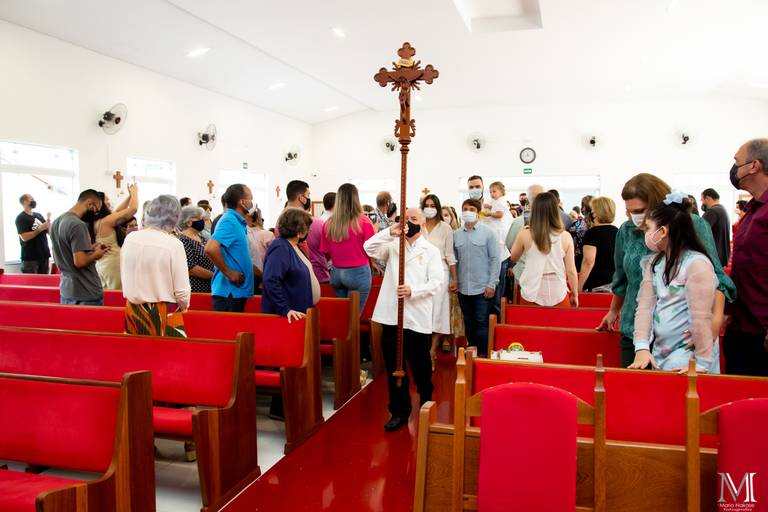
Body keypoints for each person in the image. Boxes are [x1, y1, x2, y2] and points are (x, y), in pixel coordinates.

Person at [597, 173, 735, 368]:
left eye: (641, 210)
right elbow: (622, 279)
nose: (636, 218)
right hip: (638, 329)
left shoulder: (691, 227)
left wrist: (712, 325)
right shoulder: (630, 237)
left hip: (683, 335)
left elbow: (716, 279)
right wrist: (613, 312)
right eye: (630, 211)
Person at [364, 207, 443, 431]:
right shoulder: (393, 245)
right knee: (394, 368)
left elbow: (437, 282)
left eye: (414, 219)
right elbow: (368, 248)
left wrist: (413, 290)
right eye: (405, 218)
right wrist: (390, 231)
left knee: (421, 368)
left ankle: (427, 405)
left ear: (423, 223)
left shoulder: (431, 251)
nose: (409, 222)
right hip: (392, 318)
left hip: (417, 317)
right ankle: (399, 411)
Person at [630, 193, 719, 373]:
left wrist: (701, 363)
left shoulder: (696, 264)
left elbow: (701, 317)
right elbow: (645, 307)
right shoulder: (654, 263)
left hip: (690, 355)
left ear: (662, 231)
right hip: (661, 351)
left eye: (648, 228)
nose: (645, 233)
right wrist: (641, 346)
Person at [723, 138, 768, 376]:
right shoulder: (753, 209)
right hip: (742, 325)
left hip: (762, 331)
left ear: (754, 166)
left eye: (737, 162)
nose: (734, 169)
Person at [121, 195, 190, 337]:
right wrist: (183, 306)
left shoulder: (130, 238)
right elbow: (182, 291)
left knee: (138, 355)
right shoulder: (174, 244)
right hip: (164, 310)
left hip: (134, 309)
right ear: (175, 217)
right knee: (167, 356)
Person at [510, 192, 578, 307]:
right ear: (555, 211)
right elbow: (571, 270)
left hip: (531, 291)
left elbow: (514, 257)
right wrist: (575, 294)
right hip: (558, 292)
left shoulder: (525, 234)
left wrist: (520, 234)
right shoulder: (565, 236)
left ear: (535, 211)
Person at [453, 198, 500, 358]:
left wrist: (492, 284)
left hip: (483, 288)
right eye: (465, 208)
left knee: (481, 322)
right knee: (469, 322)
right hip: (463, 288)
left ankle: (482, 356)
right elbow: (454, 261)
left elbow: (495, 260)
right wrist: (455, 281)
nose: (468, 211)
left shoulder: (488, 233)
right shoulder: (456, 235)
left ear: (478, 213)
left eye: (472, 209)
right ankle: (471, 354)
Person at [321, 183, 375, 313]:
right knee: (353, 318)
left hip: (337, 273)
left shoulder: (329, 223)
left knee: (343, 316)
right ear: (356, 199)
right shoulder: (364, 221)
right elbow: (372, 249)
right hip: (359, 272)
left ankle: (340, 334)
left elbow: (326, 252)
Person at [49, 189, 107, 305]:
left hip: (67, 290)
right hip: (85, 291)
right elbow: (80, 261)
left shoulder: (56, 222)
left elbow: (64, 254)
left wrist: (89, 248)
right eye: (96, 210)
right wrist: (97, 254)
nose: (95, 214)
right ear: (89, 203)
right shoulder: (77, 224)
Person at [262, 208, 320, 321]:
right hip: (287, 315)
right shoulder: (281, 247)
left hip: (299, 311)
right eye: (307, 228)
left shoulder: (293, 245)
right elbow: (270, 279)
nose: (309, 231)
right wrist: (284, 308)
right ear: (299, 231)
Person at [205, 184, 255, 312]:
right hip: (229, 293)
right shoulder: (229, 220)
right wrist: (229, 273)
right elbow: (210, 248)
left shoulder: (237, 221)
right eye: (251, 198)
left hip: (236, 292)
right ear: (242, 202)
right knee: (228, 331)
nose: (253, 202)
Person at [421, 194, 458, 368]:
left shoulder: (445, 228)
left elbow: (450, 255)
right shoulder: (418, 225)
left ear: (437, 206)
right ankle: (420, 350)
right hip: (419, 274)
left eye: (432, 205)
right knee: (422, 313)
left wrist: (454, 278)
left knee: (437, 313)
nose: (429, 208)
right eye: (426, 205)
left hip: (441, 274)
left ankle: (431, 351)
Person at [92, 185, 139, 290]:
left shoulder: (98, 221)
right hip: (113, 266)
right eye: (107, 200)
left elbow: (117, 211)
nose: (109, 202)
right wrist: (135, 191)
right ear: (100, 204)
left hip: (103, 266)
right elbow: (133, 209)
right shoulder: (106, 221)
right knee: (117, 297)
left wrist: (130, 196)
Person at [579, 196, 618, 292]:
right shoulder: (618, 231)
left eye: (593, 210)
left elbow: (588, 262)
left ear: (596, 213)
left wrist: (579, 287)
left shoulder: (592, 233)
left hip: (596, 284)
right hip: (614, 283)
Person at [178, 206, 215, 293]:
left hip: (209, 286)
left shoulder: (200, 237)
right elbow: (190, 269)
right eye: (198, 218)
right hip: (197, 289)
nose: (202, 221)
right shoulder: (184, 240)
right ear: (188, 222)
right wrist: (214, 276)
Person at [15, 193, 51, 274]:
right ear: (24, 202)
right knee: (32, 284)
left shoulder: (39, 215)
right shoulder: (21, 218)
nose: (33, 201)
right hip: (30, 258)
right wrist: (40, 228)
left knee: (45, 283)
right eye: (31, 199)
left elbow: (49, 232)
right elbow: (24, 237)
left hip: (44, 255)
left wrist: (48, 222)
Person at [700, 188, 731, 267]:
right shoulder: (722, 209)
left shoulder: (712, 212)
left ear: (708, 198)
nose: (702, 203)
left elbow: (699, 231)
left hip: (714, 258)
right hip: (721, 257)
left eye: (702, 200)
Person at [246, 207, 274, 293]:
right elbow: (274, 259)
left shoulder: (244, 233)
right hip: (264, 279)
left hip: (247, 280)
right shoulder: (268, 235)